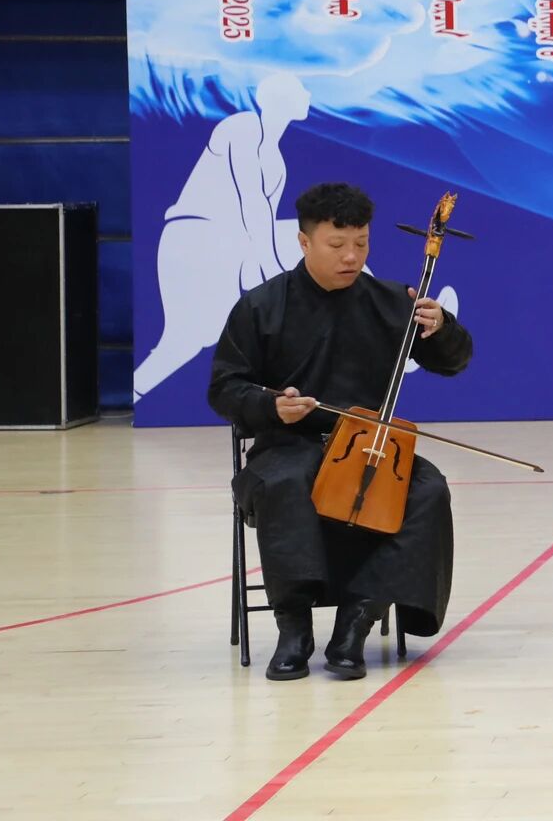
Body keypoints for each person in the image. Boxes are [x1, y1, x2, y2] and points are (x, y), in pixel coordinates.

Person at [207, 182, 473, 681]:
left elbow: (453, 362)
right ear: (304, 242)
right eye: (336, 244)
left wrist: (443, 329)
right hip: (287, 445)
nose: (352, 256)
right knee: (287, 482)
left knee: (428, 490)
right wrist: (271, 406)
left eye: (361, 243)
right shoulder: (261, 307)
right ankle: (293, 628)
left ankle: (357, 620)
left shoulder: (392, 302)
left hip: (372, 449)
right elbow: (225, 388)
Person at [134, 73, 311, 402]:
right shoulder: (243, 126)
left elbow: (262, 226)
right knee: (185, 340)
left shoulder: (277, 164)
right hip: (196, 236)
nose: (307, 95)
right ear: (280, 99)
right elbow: (252, 202)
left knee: (189, 341)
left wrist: (272, 276)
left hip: (234, 246)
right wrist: (277, 276)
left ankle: (393, 342)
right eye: (301, 90)